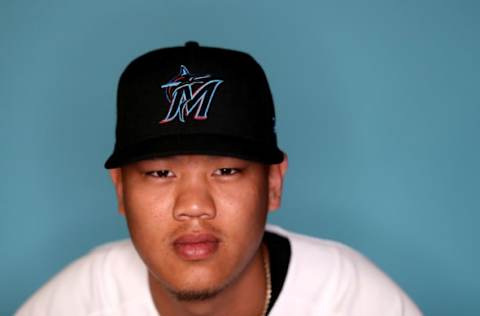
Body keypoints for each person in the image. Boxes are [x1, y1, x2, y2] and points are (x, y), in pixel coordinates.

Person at [16, 42, 422, 316]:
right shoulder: (77, 302)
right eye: (160, 172)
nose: (194, 205)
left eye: (226, 170)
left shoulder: (351, 301)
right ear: (121, 189)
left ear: (274, 183)